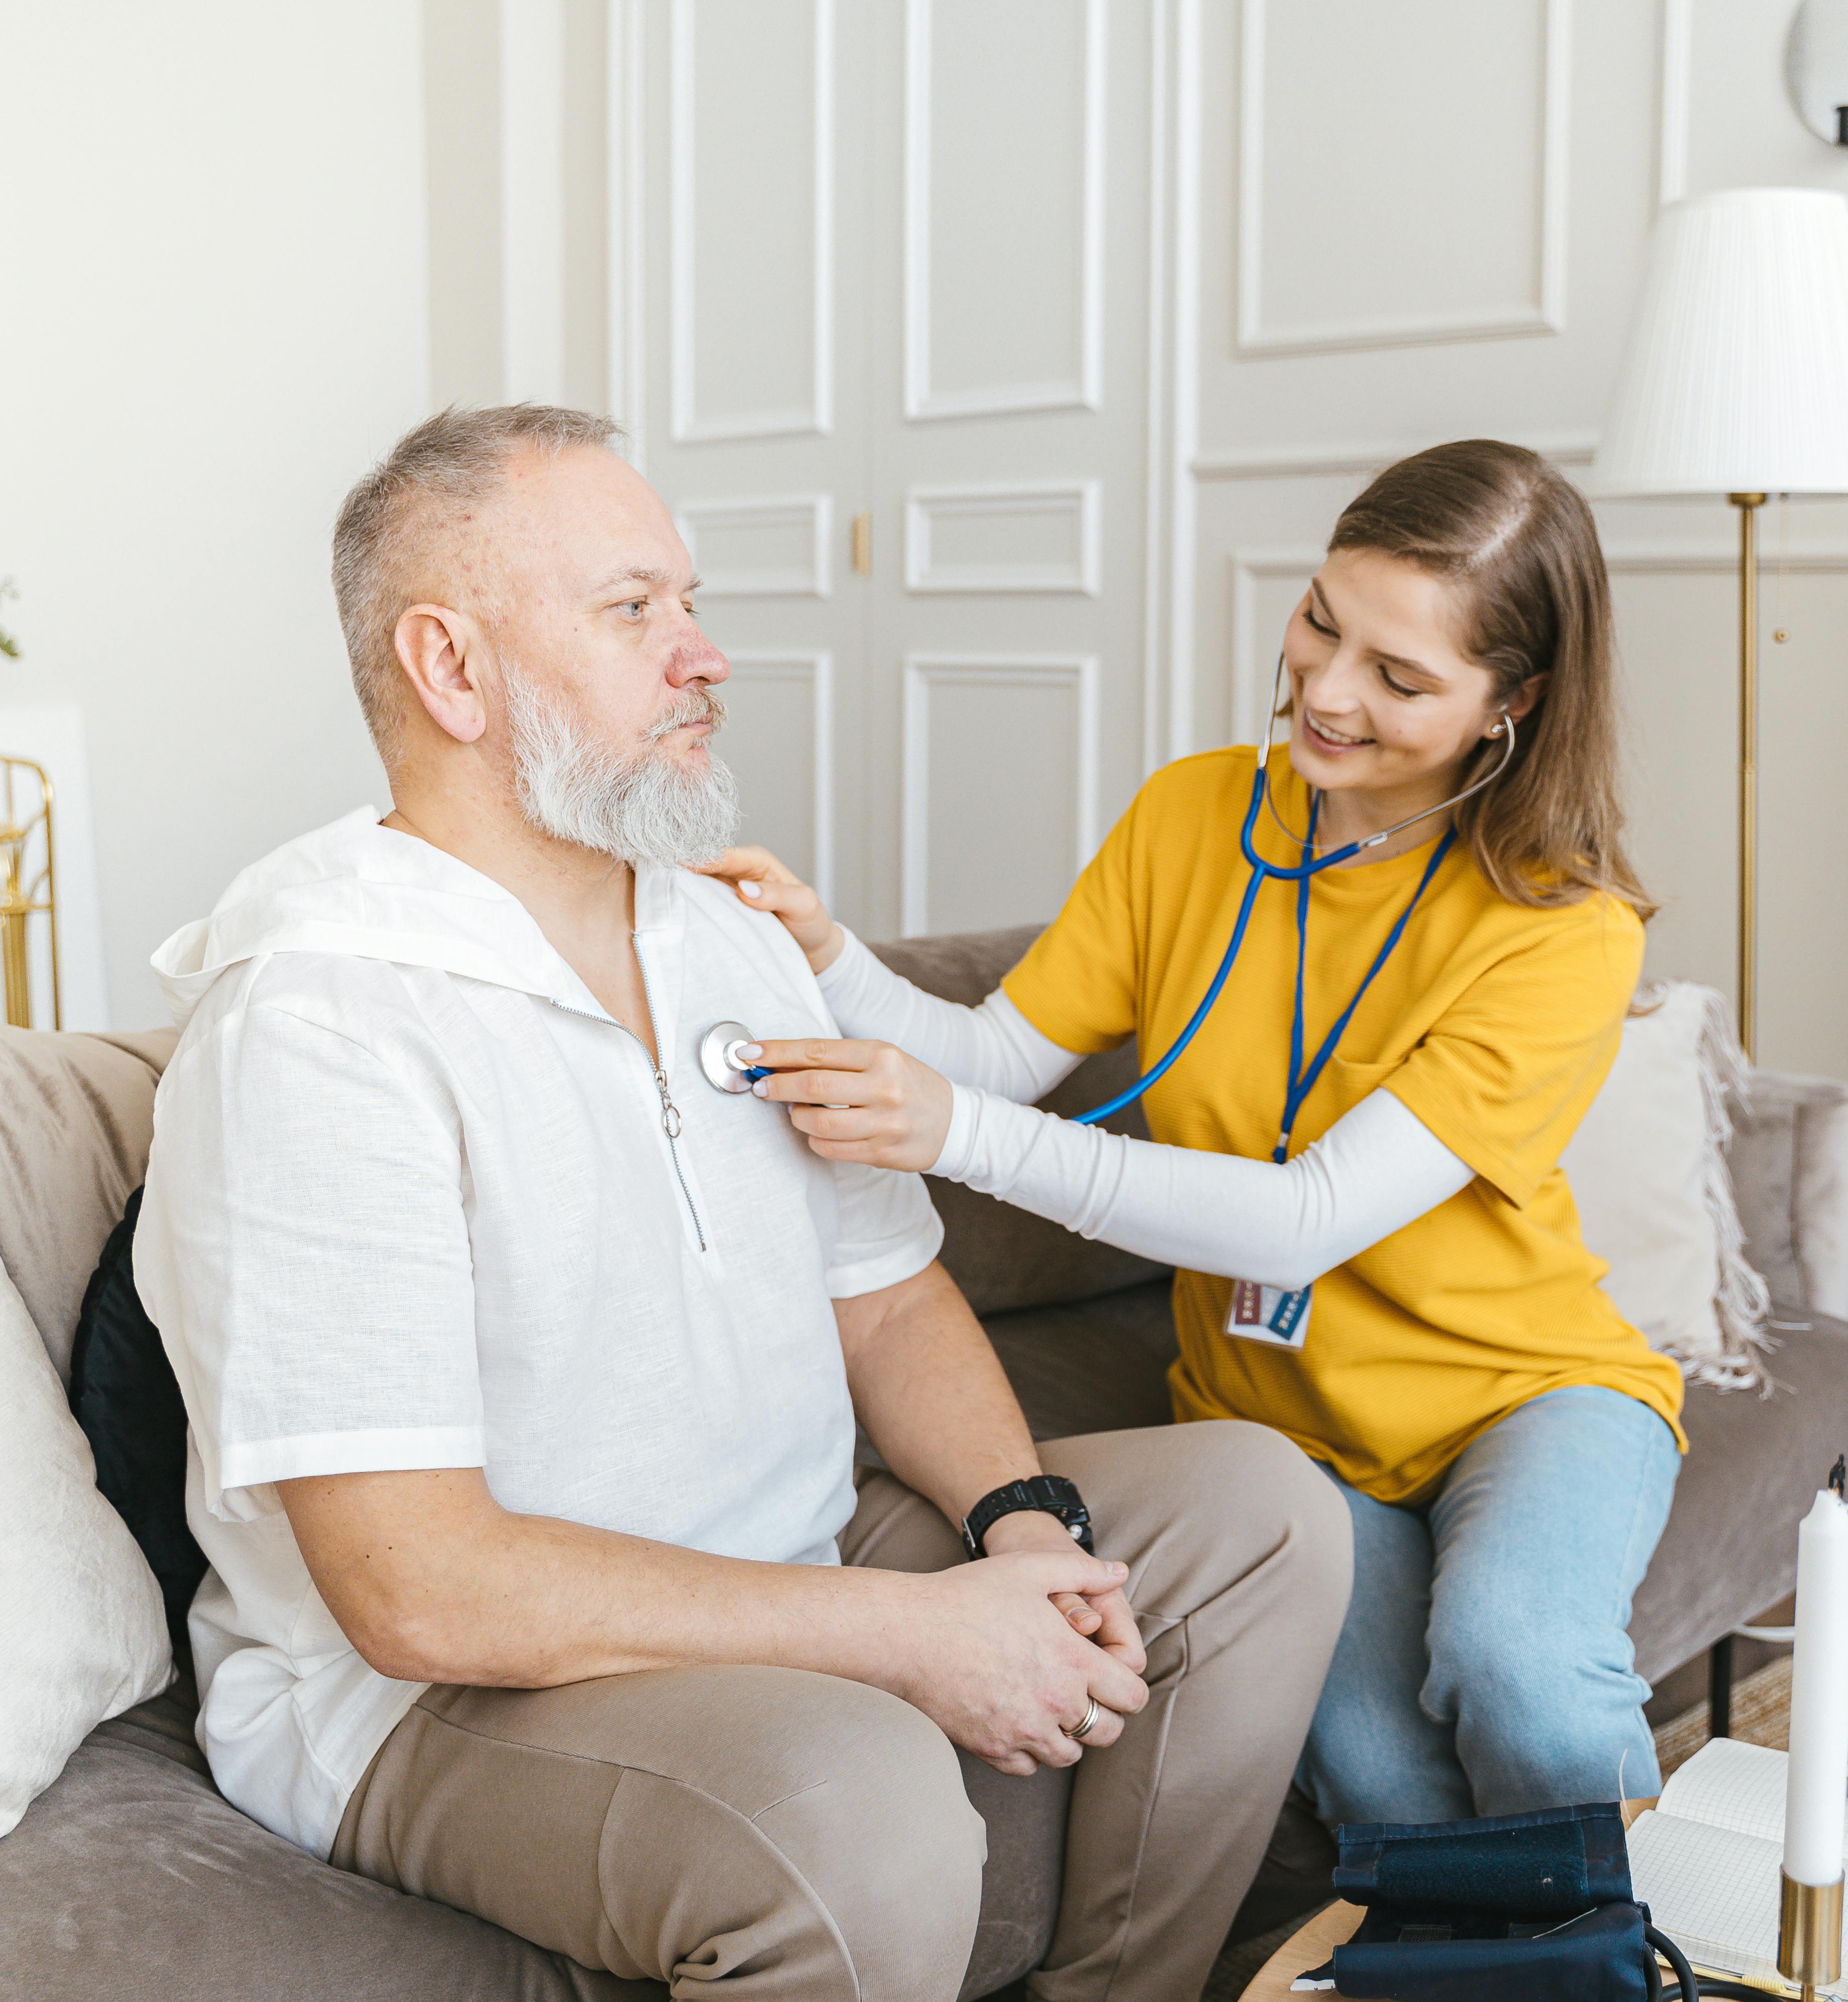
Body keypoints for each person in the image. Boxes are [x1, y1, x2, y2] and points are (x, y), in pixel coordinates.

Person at [134, 403, 1352, 2002]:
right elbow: (417, 1586)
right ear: (454, 671)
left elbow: (890, 1294)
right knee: (856, 1811)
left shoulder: (724, 935)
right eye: (634, 611)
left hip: (788, 1542)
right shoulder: (320, 1019)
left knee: (1261, 1518)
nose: (703, 655)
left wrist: (1021, 1527)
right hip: (434, 1697)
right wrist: (917, 1638)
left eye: (689, 605)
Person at [706, 439, 1685, 1830]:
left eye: (1401, 679)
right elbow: (995, 1055)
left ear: (1509, 705)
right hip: (1274, 1429)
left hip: (1523, 1395)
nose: (1328, 693)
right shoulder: (1194, 814)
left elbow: (1306, 1218)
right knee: (1385, 1790)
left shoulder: (1562, 930)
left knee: (1519, 1670)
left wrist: (959, 1136)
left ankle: (1619, 1966)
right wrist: (831, 954)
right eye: (1321, 623)